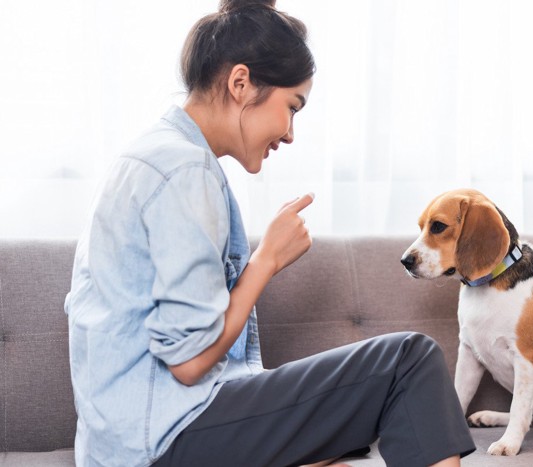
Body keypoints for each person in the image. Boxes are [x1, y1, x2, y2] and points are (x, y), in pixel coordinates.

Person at [64, 0, 475, 465]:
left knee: (335, 447)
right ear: (241, 83)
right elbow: (189, 363)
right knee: (409, 360)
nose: (290, 133)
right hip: (164, 440)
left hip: (130, 442)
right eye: (292, 107)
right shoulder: (183, 169)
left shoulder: (155, 154)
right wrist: (266, 262)